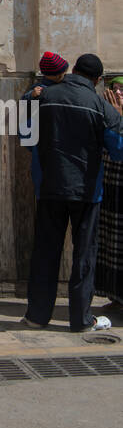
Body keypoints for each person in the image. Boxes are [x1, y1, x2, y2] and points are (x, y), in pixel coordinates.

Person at [24, 52, 123, 333]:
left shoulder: (44, 95)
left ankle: (37, 316)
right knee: (84, 255)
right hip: (87, 192)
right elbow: (118, 151)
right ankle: (81, 320)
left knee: (45, 251)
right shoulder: (99, 105)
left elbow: (25, 136)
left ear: (74, 70)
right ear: (97, 80)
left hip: (49, 187)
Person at [97, 76, 123, 315]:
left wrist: (118, 117)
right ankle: (116, 298)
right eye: (115, 90)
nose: (118, 94)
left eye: (122, 90)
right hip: (111, 190)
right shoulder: (109, 115)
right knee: (111, 244)